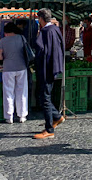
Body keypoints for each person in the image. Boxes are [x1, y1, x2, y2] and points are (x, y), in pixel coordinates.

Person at [33, 8, 65, 140]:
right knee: (45, 96)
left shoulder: (45, 32)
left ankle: (49, 129)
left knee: (44, 97)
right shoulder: (56, 29)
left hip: (46, 69)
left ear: (40, 19)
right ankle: (57, 117)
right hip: (54, 67)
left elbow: (41, 50)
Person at [0, 22, 28, 124]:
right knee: (22, 91)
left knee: (8, 92)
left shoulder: (3, 41)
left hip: (8, 68)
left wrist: (6, 56)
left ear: (6, 32)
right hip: (21, 67)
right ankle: (22, 115)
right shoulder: (22, 38)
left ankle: (9, 116)